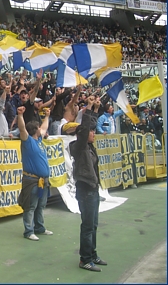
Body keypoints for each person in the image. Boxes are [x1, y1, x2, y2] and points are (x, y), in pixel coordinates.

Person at [70, 95, 107, 272]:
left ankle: (92, 254)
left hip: (92, 190)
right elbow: (85, 129)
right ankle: (85, 259)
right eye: (91, 132)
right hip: (85, 191)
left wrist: (96, 110)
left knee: (93, 224)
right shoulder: (79, 147)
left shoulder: (89, 148)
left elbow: (89, 127)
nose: (94, 133)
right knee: (87, 225)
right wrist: (89, 108)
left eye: (94, 131)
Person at [17, 105, 53, 241]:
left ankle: (40, 228)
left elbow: (44, 127)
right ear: (35, 130)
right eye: (38, 127)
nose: (41, 129)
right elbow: (21, 129)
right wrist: (20, 115)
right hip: (32, 181)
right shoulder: (28, 141)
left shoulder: (38, 140)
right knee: (31, 206)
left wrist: (47, 116)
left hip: (42, 180)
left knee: (40, 205)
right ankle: (29, 231)